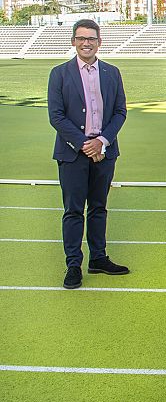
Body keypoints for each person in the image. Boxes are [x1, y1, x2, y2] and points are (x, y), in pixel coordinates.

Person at [48, 19, 129, 289]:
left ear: (99, 42)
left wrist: (102, 141)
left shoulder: (112, 72)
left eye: (91, 39)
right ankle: (73, 265)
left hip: (104, 152)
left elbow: (120, 112)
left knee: (98, 207)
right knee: (73, 211)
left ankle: (98, 258)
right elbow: (56, 117)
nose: (86, 43)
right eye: (81, 38)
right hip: (73, 154)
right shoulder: (59, 74)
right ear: (73, 41)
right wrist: (85, 144)